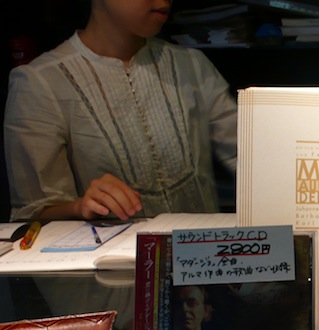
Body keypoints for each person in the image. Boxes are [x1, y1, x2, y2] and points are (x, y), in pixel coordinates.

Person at [4, 0, 237, 221]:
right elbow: (33, 213)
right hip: (110, 250)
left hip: (203, 247)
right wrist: (79, 207)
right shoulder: (41, 82)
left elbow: (244, 152)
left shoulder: (192, 65)